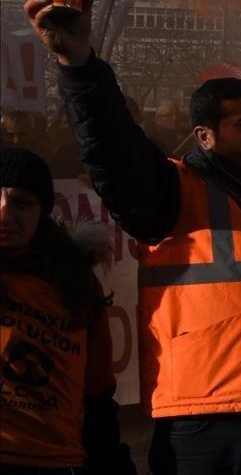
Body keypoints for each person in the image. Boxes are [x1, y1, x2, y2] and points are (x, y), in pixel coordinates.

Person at [24, 0, 241, 474]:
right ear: (205, 135)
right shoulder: (173, 192)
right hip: (201, 423)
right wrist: (78, 65)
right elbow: (112, 147)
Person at [1, 146, 135, 474]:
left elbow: (97, 388)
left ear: (42, 211)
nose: (4, 214)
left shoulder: (75, 283)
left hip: (56, 461)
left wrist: (109, 461)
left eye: (21, 202)